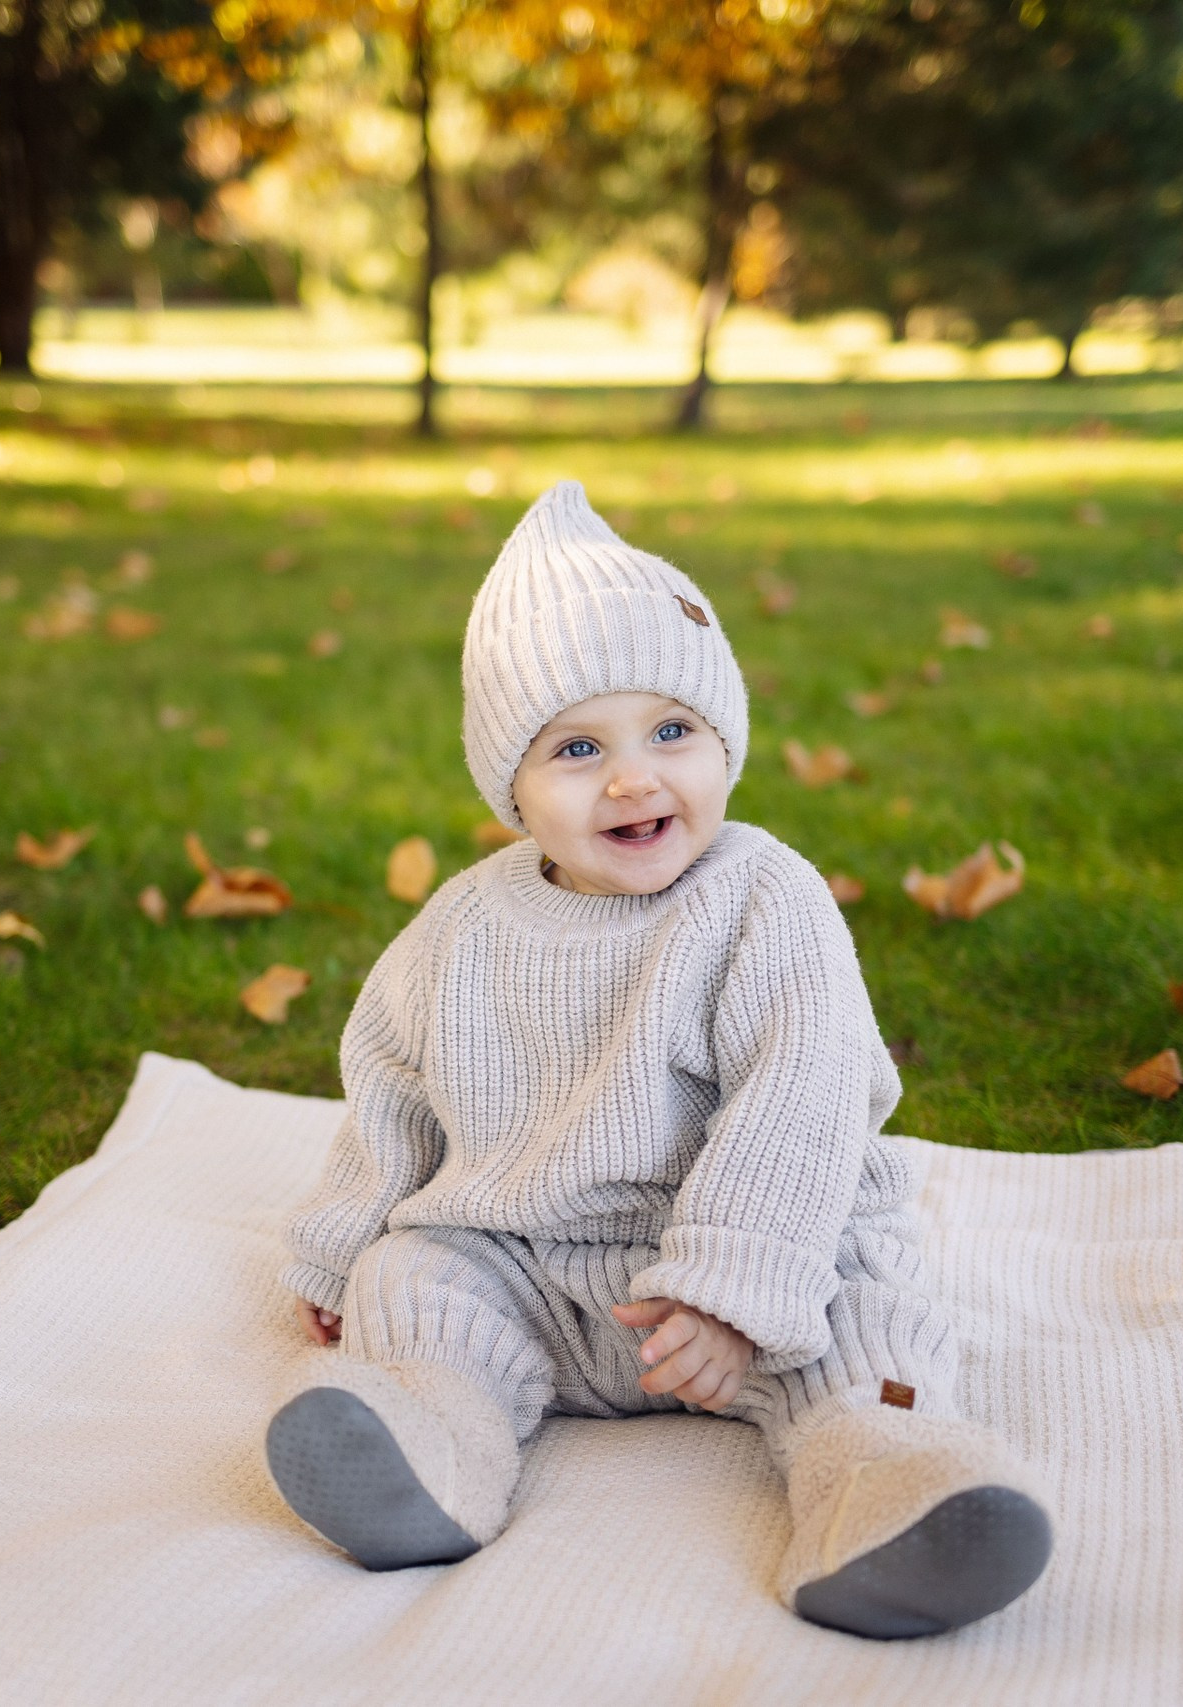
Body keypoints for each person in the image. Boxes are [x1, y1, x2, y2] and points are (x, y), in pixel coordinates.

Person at [263, 480, 1051, 1639]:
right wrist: (338, 1251)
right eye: (578, 748)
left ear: (722, 742)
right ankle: (429, 1436)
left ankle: (883, 1483)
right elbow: (390, 1090)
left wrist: (732, 1293)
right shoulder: (462, 926)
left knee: (859, 1319)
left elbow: (803, 1098)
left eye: (670, 732)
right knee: (420, 1284)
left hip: (757, 1268)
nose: (635, 778)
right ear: (512, 792)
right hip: (528, 1265)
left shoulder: (762, 897)